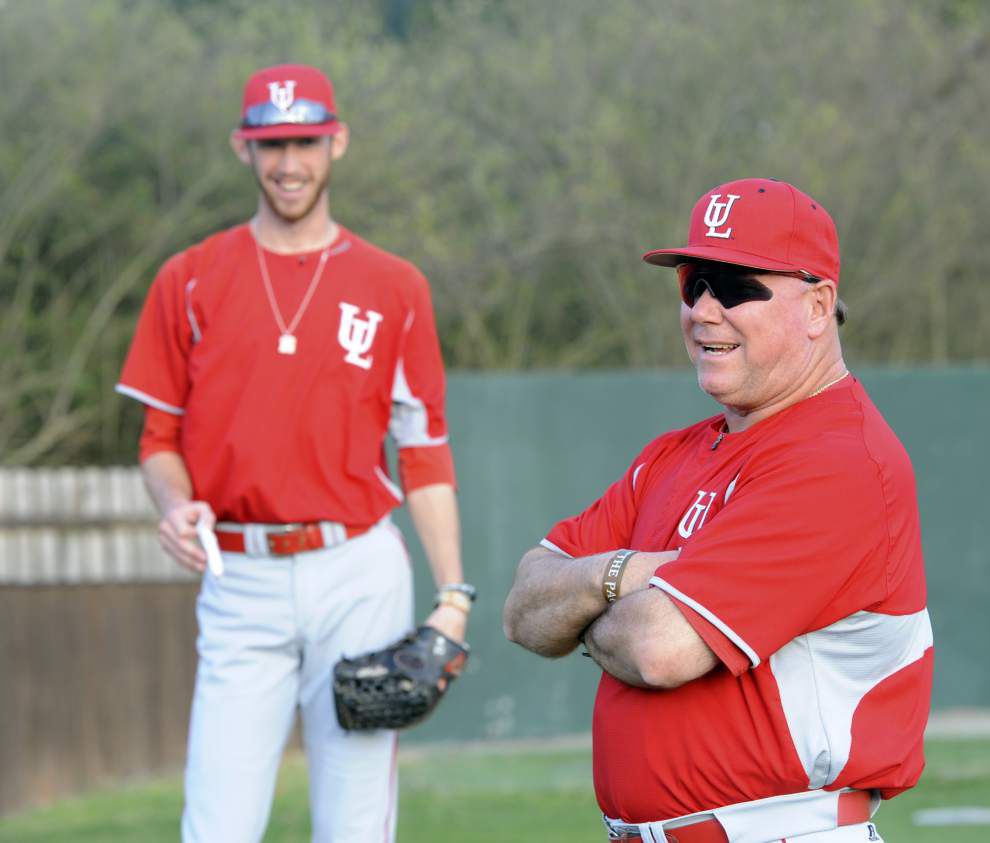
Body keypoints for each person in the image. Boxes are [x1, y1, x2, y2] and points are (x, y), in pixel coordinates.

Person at [503, 178, 933, 843]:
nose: (704, 309)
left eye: (735, 286)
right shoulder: (673, 455)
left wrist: (587, 607)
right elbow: (526, 608)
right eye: (693, 282)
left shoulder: (841, 460)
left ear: (819, 306)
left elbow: (655, 646)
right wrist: (629, 574)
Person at [116, 64, 474, 843]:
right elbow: (158, 441)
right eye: (272, 143)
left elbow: (425, 452)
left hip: (356, 571)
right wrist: (176, 506)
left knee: (354, 824)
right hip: (238, 575)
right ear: (242, 147)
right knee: (216, 823)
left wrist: (454, 593)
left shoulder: (395, 285)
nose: (289, 162)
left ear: (336, 141)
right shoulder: (188, 279)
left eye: (305, 141)